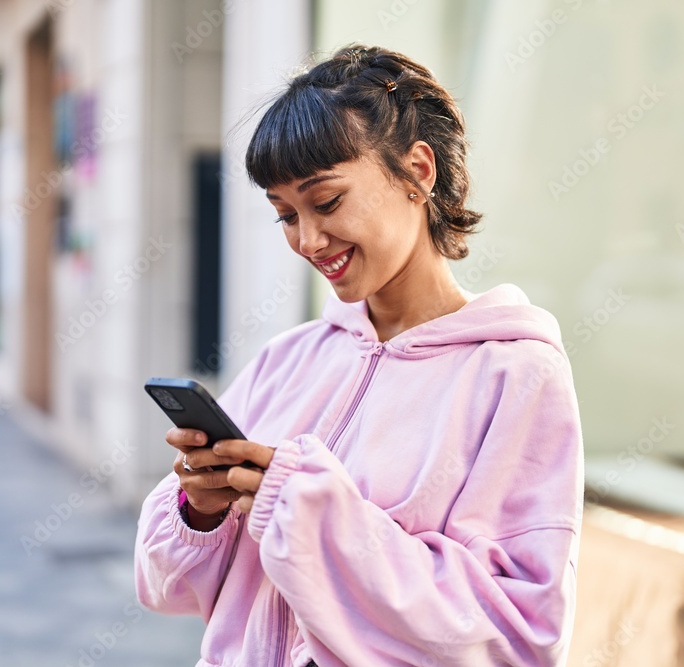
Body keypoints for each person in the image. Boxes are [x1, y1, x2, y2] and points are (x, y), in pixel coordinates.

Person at [134, 44, 584, 667]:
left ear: (419, 171)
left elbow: (515, 635)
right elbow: (165, 587)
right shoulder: (288, 358)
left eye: (326, 202)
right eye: (285, 215)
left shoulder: (515, 374)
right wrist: (201, 510)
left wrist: (304, 510)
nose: (308, 240)